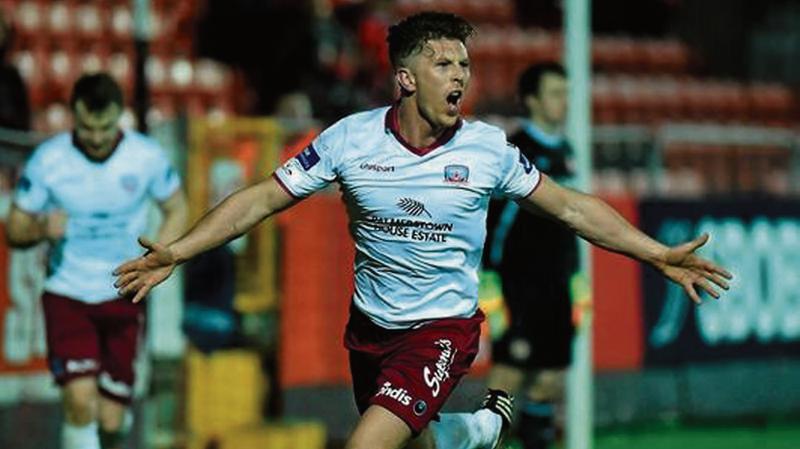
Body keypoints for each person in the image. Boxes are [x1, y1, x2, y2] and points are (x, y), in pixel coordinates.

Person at [114, 12, 730, 449]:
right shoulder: (349, 140)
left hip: (442, 330)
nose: (459, 75)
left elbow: (570, 207)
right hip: (368, 330)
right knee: (415, 443)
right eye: (442, 63)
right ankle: (472, 431)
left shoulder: (488, 149)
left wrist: (656, 255)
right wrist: (177, 250)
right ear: (406, 78)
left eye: (464, 63)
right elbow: (259, 201)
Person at [6, 73, 188, 449]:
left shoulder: (145, 157)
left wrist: (158, 256)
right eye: (88, 127)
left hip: (124, 292)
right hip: (67, 294)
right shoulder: (50, 160)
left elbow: (177, 206)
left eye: (105, 128)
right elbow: (15, 229)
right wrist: (41, 227)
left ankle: (113, 431)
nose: (96, 137)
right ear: (74, 115)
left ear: (119, 116)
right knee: (79, 401)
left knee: (110, 418)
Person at [483, 62, 576, 449]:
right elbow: (495, 221)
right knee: (507, 377)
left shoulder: (568, 152)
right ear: (533, 100)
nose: (565, 102)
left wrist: (577, 277)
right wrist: (489, 279)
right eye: (555, 93)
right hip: (517, 286)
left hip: (557, 286)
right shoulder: (515, 151)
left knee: (550, 379)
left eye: (566, 93)